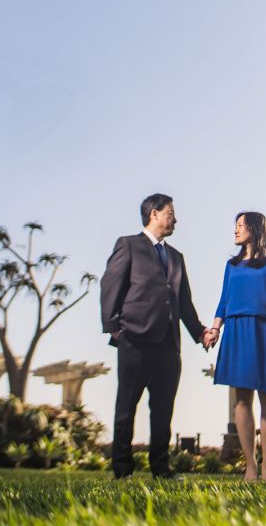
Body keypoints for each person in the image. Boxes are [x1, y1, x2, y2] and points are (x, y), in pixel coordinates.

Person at [100, 193, 209, 479]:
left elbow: (184, 302)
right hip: (134, 339)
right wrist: (114, 328)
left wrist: (200, 333)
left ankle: (161, 469)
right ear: (154, 214)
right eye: (171, 213)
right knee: (126, 407)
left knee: (163, 410)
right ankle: (122, 469)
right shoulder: (128, 245)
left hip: (169, 345)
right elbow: (110, 285)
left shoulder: (176, 257)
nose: (175, 219)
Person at [205, 211, 266, 481]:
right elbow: (223, 300)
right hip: (236, 329)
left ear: (255, 229)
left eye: (241, 225)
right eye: (235, 225)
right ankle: (250, 466)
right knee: (241, 399)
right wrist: (214, 328)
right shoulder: (231, 266)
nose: (236, 230)